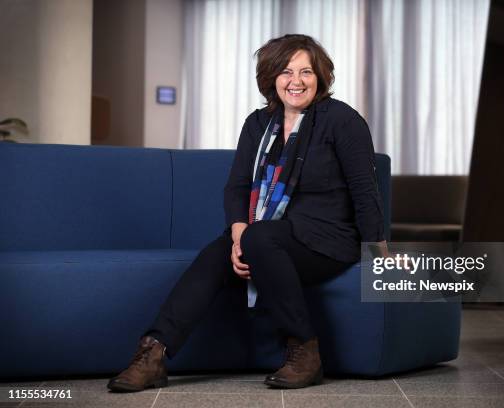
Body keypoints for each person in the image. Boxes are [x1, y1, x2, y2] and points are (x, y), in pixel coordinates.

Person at [107, 34, 386, 392]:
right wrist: (240, 237)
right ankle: (154, 352)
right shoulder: (258, 123)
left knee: (260, 237)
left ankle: (304, 350)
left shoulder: (342, 120)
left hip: (328, 239)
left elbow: (366, 190)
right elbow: (237, 186)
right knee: (215, 254)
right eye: (286, 71)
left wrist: (378, 253)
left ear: (321, 76)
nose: (296, 81)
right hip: (264, 235)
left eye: (306, 71)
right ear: (271, 77)